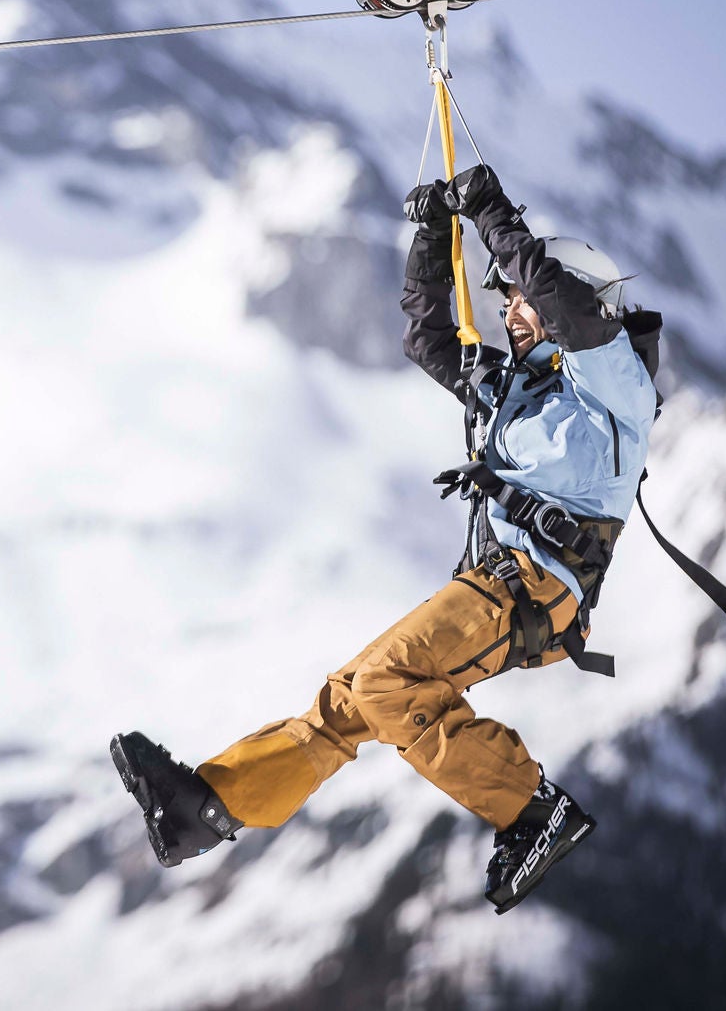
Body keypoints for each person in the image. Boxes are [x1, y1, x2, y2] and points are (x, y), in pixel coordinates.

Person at [113, 163, 656, 914]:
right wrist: (434, 239)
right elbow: (428, 338)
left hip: (534, 585)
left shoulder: (617, 386)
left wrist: (494, 215)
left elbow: (564, 306)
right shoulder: (516, 389)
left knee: (385, 683)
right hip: (493, 583)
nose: (512, 308)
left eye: (523, 297)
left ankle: (534, 810)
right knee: (348, 698)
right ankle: (208, 809)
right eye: (512, 298)